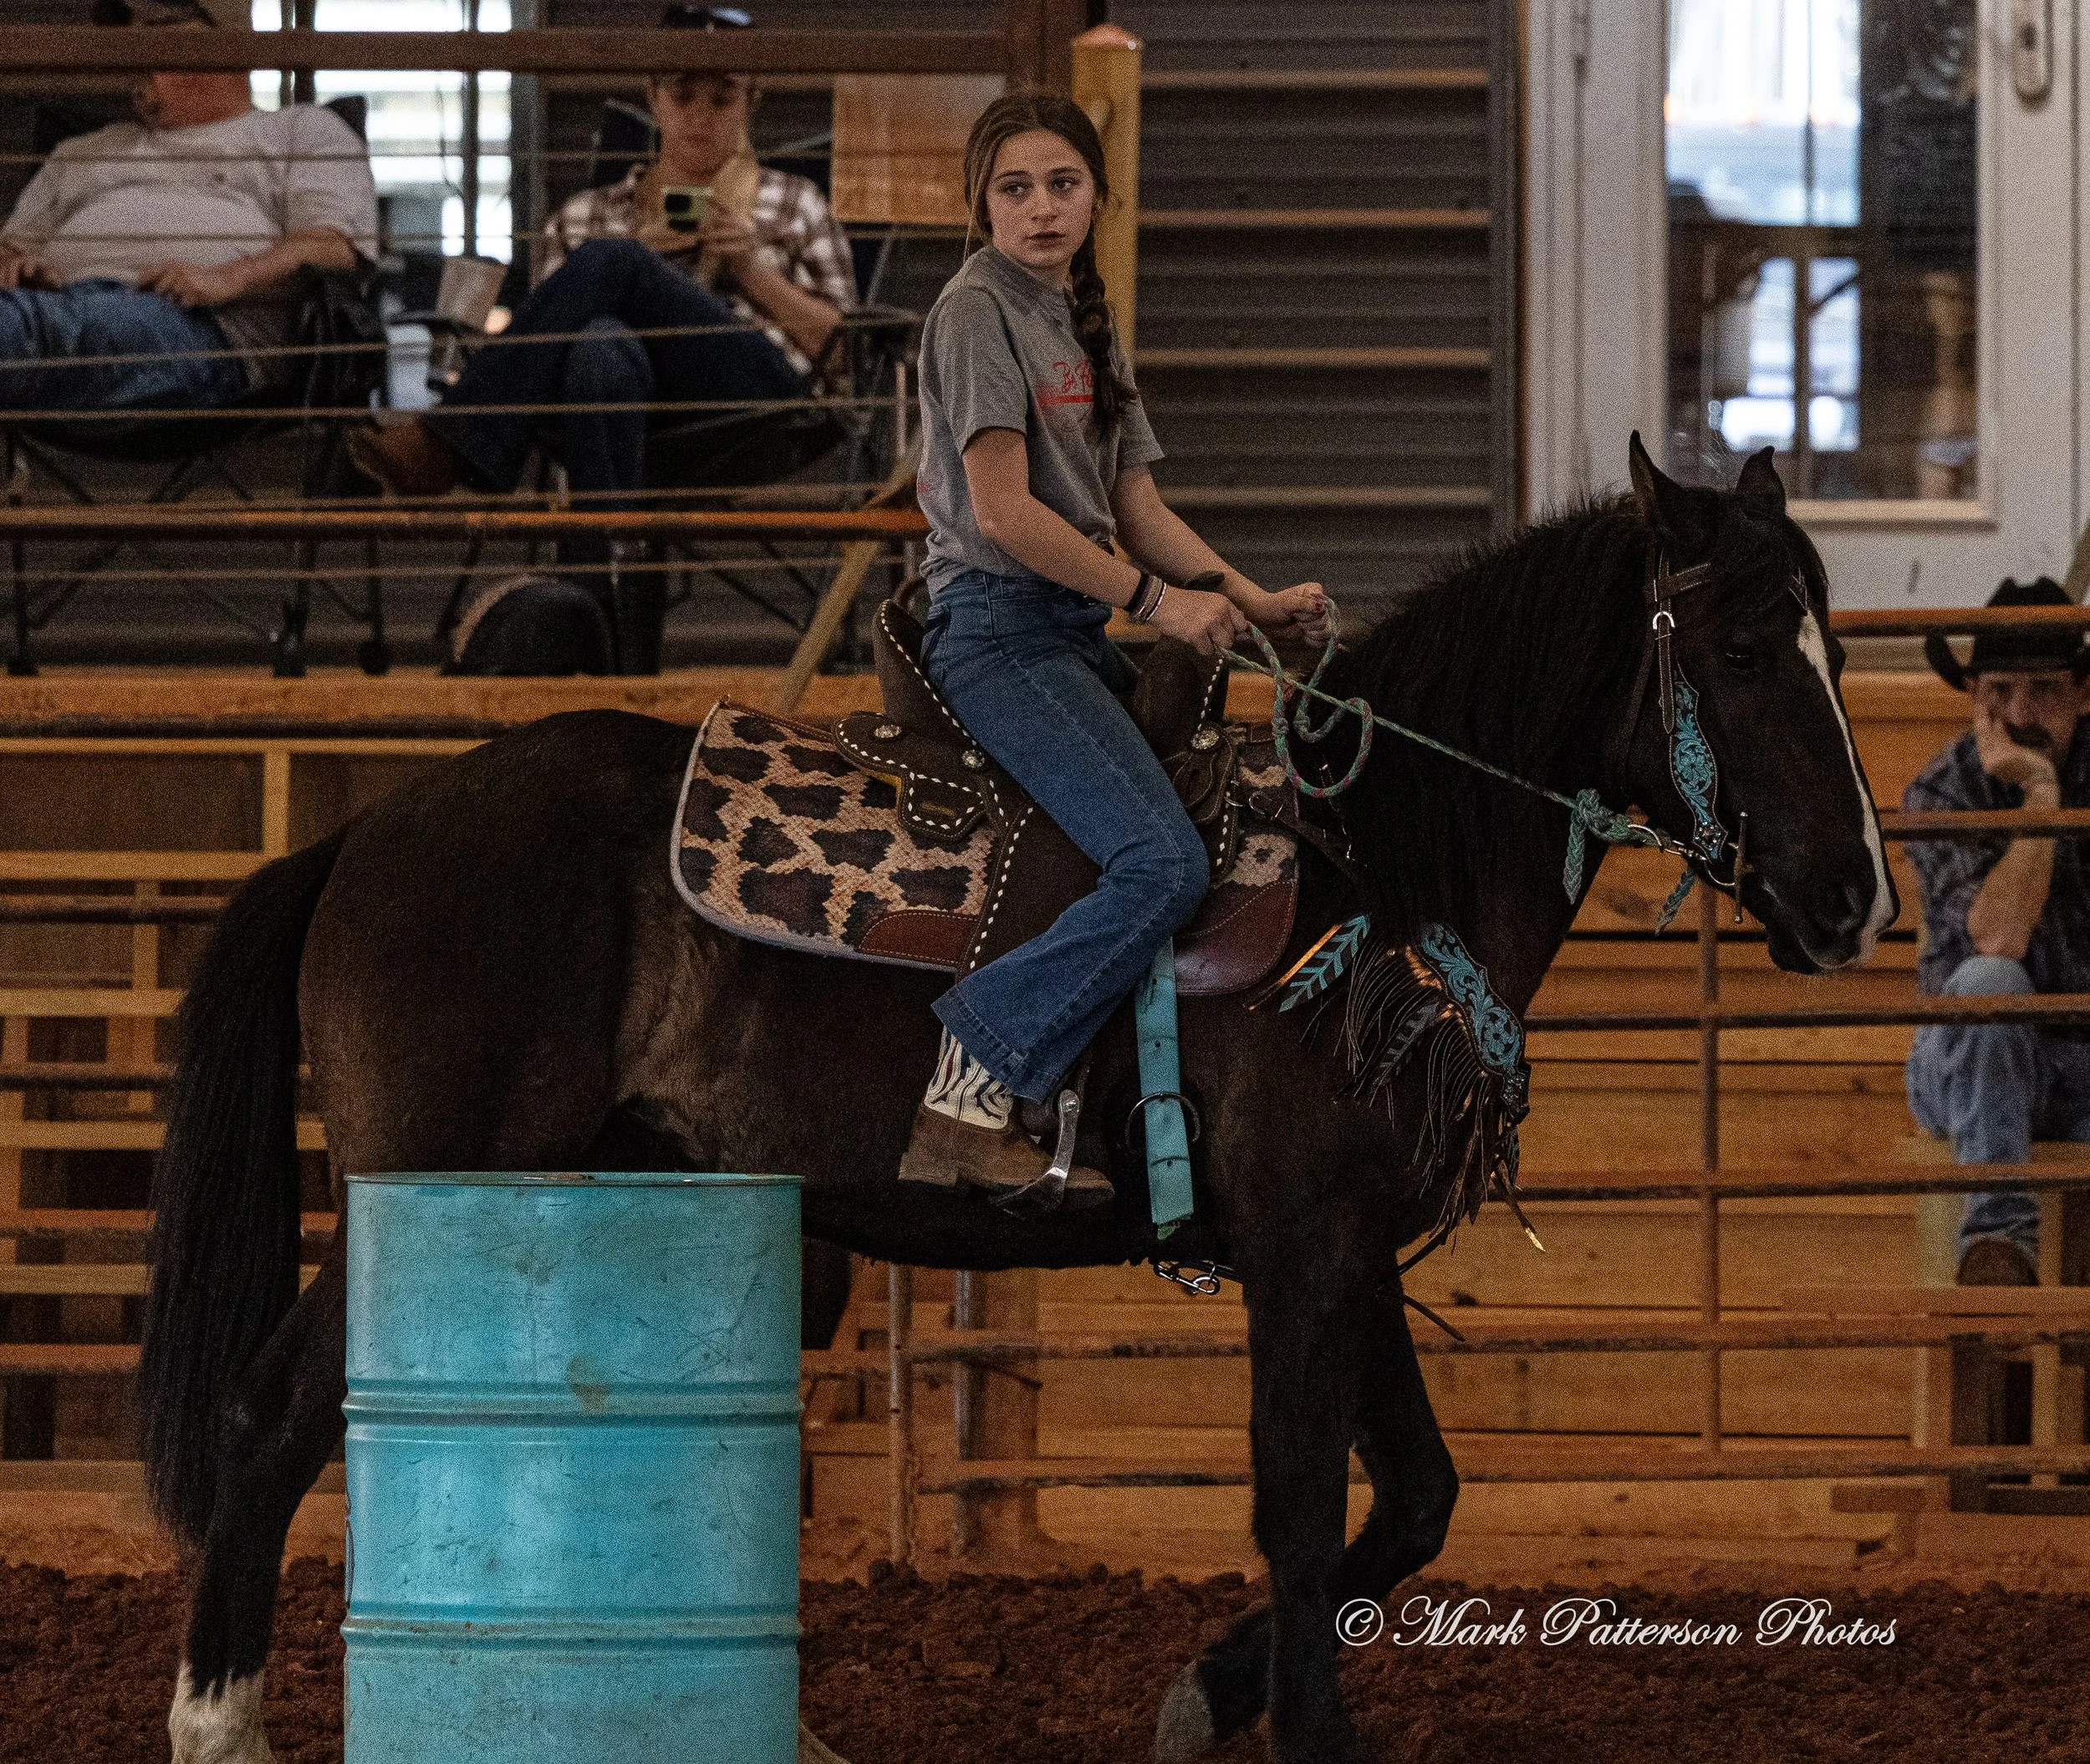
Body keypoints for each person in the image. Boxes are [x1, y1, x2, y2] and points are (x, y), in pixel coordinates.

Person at [894, 93, 1332, 1205]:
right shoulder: (973, 314)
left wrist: (1250, 597)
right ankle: (969, 1086)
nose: (1041, 208)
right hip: (998, 628)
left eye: (1062, 185)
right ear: (979, 204)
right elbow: (1005, 513)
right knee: (1164, 862)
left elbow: (1139, 509)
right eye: (1015, 188)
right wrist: (1157, 605)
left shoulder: (1081, 315)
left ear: (1097, 195)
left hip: (1072, 627)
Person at [349, 2, 857, 650]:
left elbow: (844, 355)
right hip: (614, 407)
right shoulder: (587, 213)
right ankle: (603, 638)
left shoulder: (794, 204)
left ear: (751, 102)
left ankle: (453, 441)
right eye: (683, 95)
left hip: (752, 407)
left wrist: (751, 269)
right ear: (653, 97)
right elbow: (549, 363)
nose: (700, 115)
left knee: (613, 261)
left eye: (721, 98)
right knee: (597, 352)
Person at [0, 0, 377, 434]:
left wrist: (229, 277)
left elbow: (331, 247)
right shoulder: (83, 150)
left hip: (200, 329)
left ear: (220, 48)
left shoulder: (301, 131)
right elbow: (10, 248)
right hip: (48, 314)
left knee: (29, 329)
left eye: (154, 37)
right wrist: (17, 270)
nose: (134, 64)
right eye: (129, 43)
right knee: (27, 324)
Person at [1906, 577, 2090, 1285]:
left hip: (2079, 1066)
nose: (2019, 713)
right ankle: (2000, 1245)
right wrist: (2043, 795)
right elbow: (1999, 940)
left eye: (2043, 690)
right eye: (1999, 689)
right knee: (1991, 983)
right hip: (1965, 1063)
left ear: (2081, 694)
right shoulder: (1942, 789)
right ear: (1973, 694)